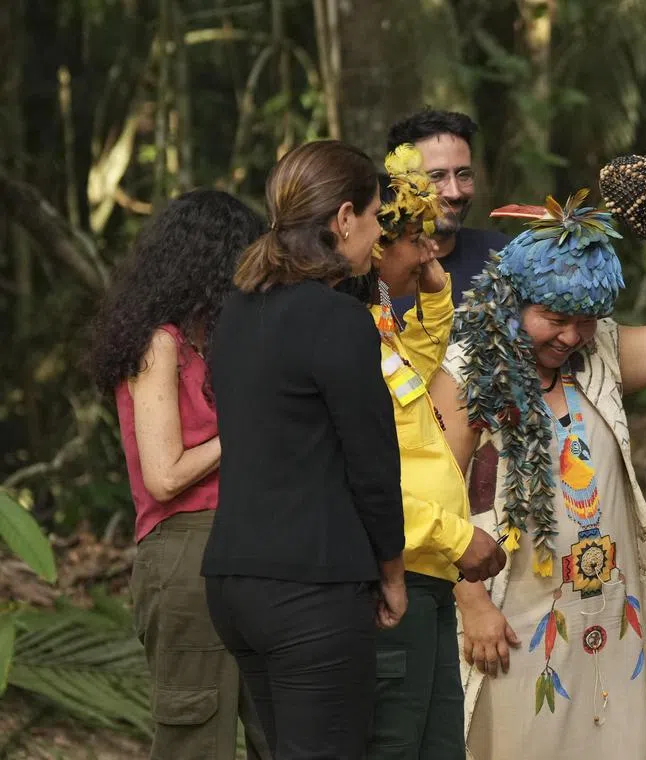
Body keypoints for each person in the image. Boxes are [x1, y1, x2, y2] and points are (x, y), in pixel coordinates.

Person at [431, 190, 646, 760]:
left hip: (609, 611)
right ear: (511, 301)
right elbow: (432, 496)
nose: (570, 337)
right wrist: (472, 604)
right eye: (555, 319)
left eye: (585, 320)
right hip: (510, 611)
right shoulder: (468, 370)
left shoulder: (601, 353)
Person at [202, 139, 408, 759]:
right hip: (310, 587)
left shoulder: (235, 310)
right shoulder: (336, 318)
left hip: (234, 581)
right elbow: (371, 461)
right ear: (343, 218)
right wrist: (392, 571)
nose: (378, 236)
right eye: (375, 218)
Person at [88, 189, 270, 760]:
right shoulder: (159, 345)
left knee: (282, 728)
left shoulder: (214, 345)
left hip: (251, 542)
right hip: (188, 549)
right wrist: (246, 428)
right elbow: (164, 476)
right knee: (197, 735)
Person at [340, 144, 507, 760]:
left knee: (440, 745)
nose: (432, 250)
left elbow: (415, 370)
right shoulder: (345, 334)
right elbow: (358, 476)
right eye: (418, 239)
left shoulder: (378, 324)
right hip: (400, 572)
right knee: (395, 743)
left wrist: (435, 297)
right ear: (378, 245)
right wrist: (454, 538)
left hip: (431, 572)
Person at [386, 109, 509, 312]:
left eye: (463, 174)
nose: (454, 192)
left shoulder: (505, 259)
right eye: (436, 176)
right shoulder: (370, 270)